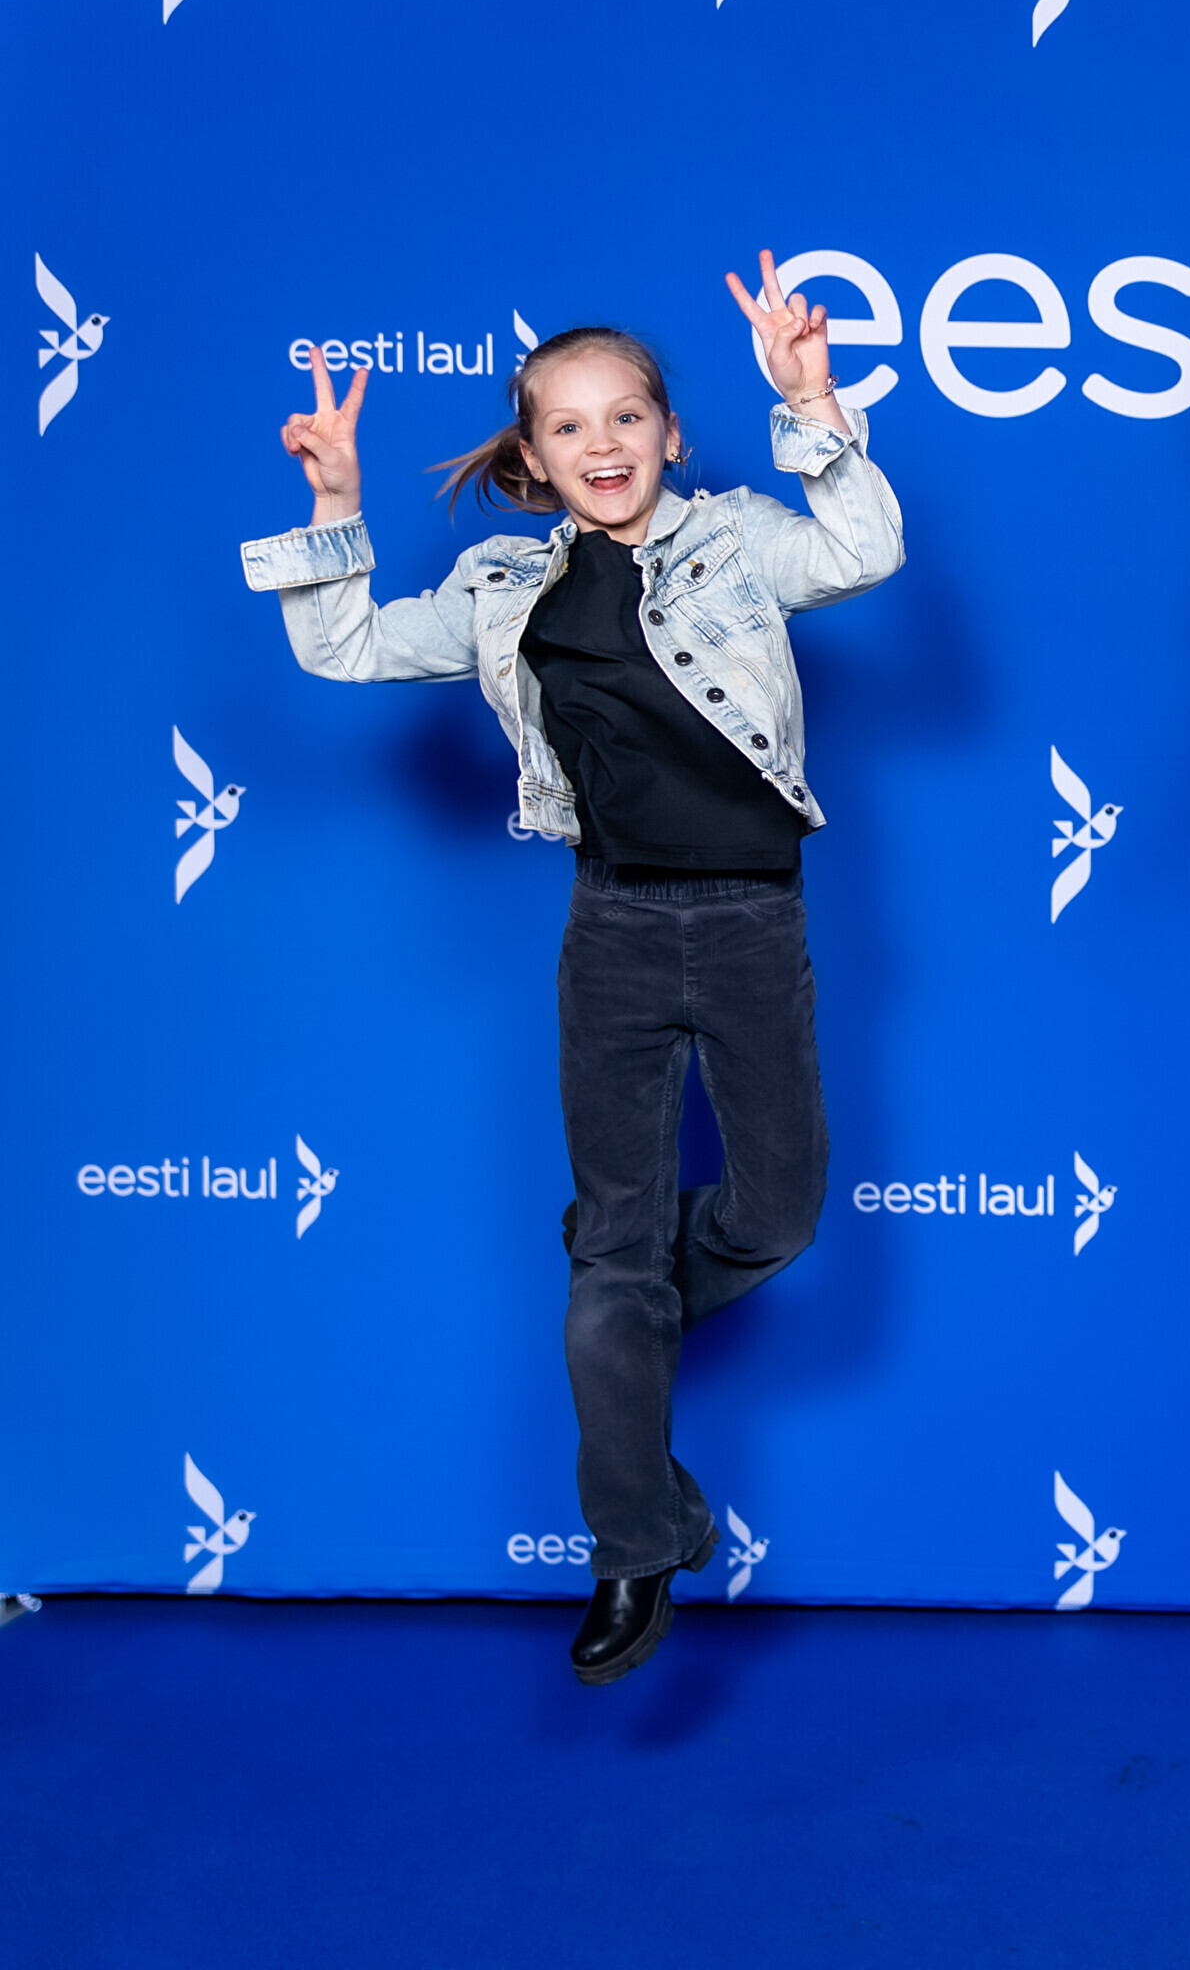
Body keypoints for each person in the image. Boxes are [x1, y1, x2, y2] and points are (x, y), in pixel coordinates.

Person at [238, 259, 905, 1683]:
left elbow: (863, 551)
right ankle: (634, 1543)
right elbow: (343, 647)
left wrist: (814, 405)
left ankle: (625, 1295)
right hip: (609, 930)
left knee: (777, 1214)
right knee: (611, 1259)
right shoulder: (501, 588)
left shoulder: (738, 541)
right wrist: (336, 503)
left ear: (670, 433)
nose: (601, 445)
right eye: (568, 427)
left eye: (626, 418)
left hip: (752, 922)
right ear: (533, 458)